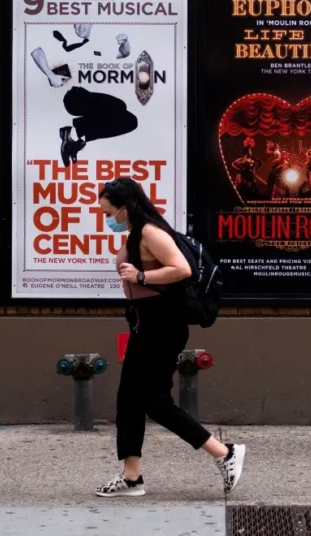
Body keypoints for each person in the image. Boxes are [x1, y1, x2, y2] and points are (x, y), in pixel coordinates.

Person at [95, 177, 246, 498]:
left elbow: (181, 269)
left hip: (161, 324)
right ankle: (131, 478)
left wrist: (140, 275)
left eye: (109, 212)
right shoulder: (136, 233)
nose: (107, 219)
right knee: (129, 400)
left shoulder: (150, 232)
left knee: (154, 400)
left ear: (125, 207)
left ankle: (224, 453)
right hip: (144, 322)